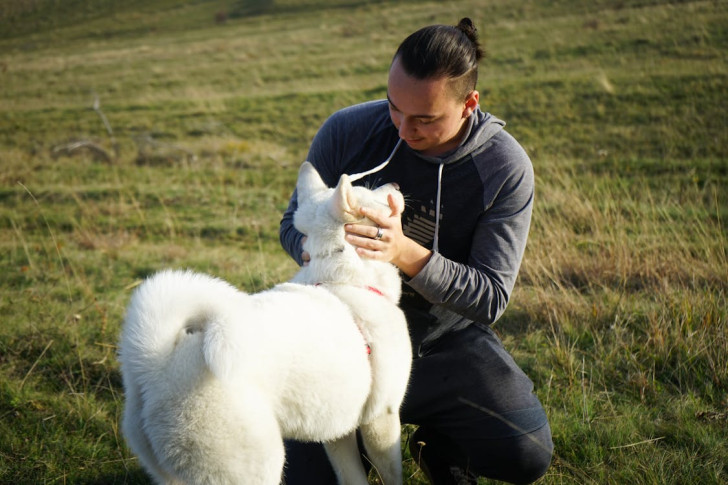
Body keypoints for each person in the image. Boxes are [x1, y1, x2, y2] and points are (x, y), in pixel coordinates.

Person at [279, 18, 553, 485]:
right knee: (302, 477)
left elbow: (490, 298)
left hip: (443, 343)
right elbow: (291, 226)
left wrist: (404, 252)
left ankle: (438, 447)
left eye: (425, 118)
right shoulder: (347, 130)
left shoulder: (504, 167)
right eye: (394, 108)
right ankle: (359, 443)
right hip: (339, 340)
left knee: (525, 453)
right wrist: (329, 252)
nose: (404, 130)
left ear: (469, 104)